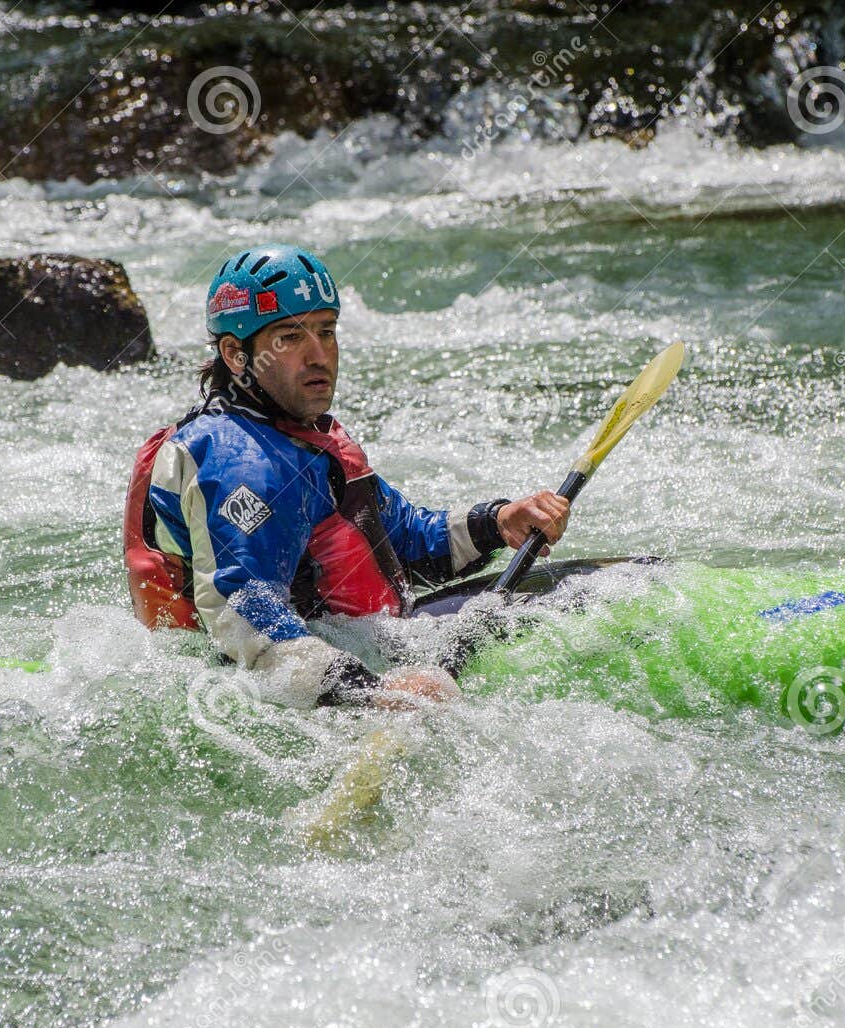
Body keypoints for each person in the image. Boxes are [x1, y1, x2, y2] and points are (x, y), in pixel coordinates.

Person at [124, 244, 569, 706]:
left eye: (326, 331)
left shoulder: (303, 437)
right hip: (294, 690)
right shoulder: (239, 462)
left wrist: (500, 521)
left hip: (365, 649)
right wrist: (375, 694)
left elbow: (404, 543)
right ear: (237, 355)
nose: (319, 355)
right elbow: (246, 618)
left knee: (579, 592)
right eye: (290, 338)